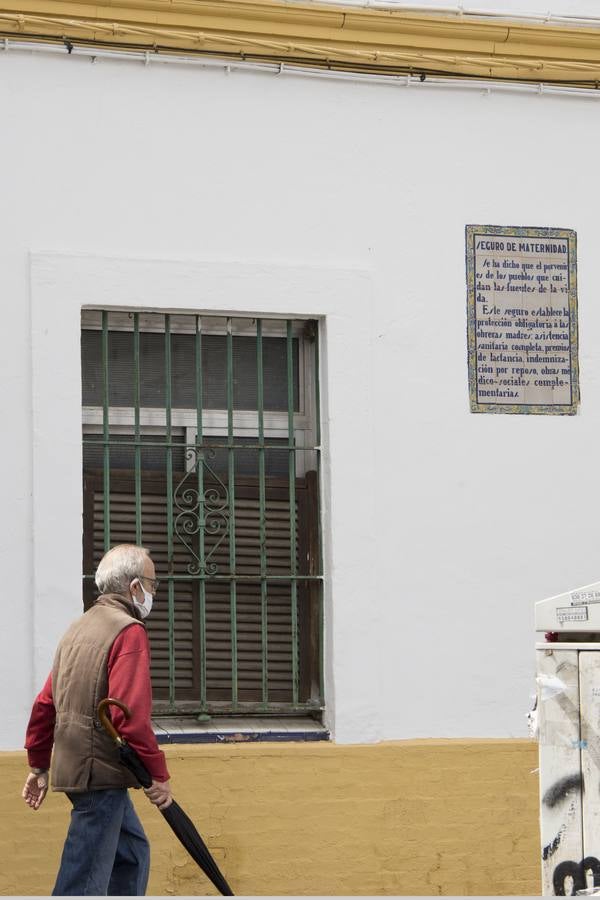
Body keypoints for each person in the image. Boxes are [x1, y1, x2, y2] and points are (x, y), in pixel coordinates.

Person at [22, 544, 172, 896]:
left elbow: (46, 702)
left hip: (80, 769)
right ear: (134, 587)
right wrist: (157, 775)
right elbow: (129, 717)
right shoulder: (127, 631)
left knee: (131, 856)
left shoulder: (77, 629)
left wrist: (38, 765)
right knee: (84, 880)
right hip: (100, 774)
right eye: (152, 585)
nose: (153, 593)